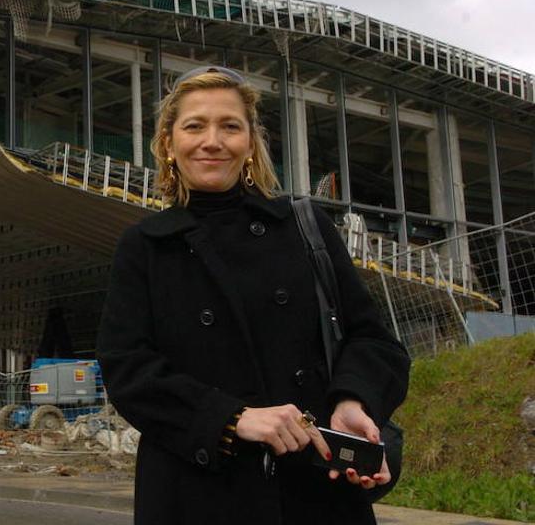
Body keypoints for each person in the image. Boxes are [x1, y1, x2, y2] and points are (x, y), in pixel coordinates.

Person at [97, 66, 410, 524]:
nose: (212, 140)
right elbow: (128, 369)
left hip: (314, 488)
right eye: (194, 126)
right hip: (197, 494)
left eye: (229, 126)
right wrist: (231, 418)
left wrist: (352, 402)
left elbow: (373, 340)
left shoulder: (305, 227)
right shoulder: (145, 245)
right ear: (168, 144)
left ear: (249, 143)